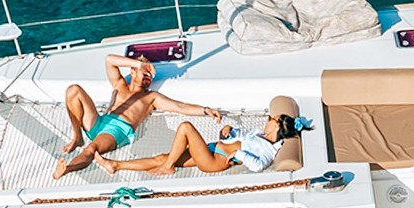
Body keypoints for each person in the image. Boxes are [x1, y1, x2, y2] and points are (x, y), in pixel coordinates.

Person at [54, 54, 221, 178]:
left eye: (150, 76)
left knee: (91, 149)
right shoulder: (119, 84)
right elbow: (109, 60)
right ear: (133, 72)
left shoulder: (151, 98)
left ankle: (67, 169)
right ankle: (77, 137)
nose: (148, 77)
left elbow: (179, 107)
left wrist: (205, 110)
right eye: (144, 72)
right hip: (100, 122)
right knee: (73, 90)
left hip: (118, 131)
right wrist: (138, 63)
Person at [95, 114, 310, 177]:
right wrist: (229, 132)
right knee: (161, 157)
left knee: (186, 127)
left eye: (273, 119)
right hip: (213, 148)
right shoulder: (260, 134)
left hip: (214, 160)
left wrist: (239, 152)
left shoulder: (270, 150)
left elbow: (258, 165)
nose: (269, 117)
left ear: (278, 127)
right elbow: (240, 137)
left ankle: (168, 167)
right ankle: (116, 165)